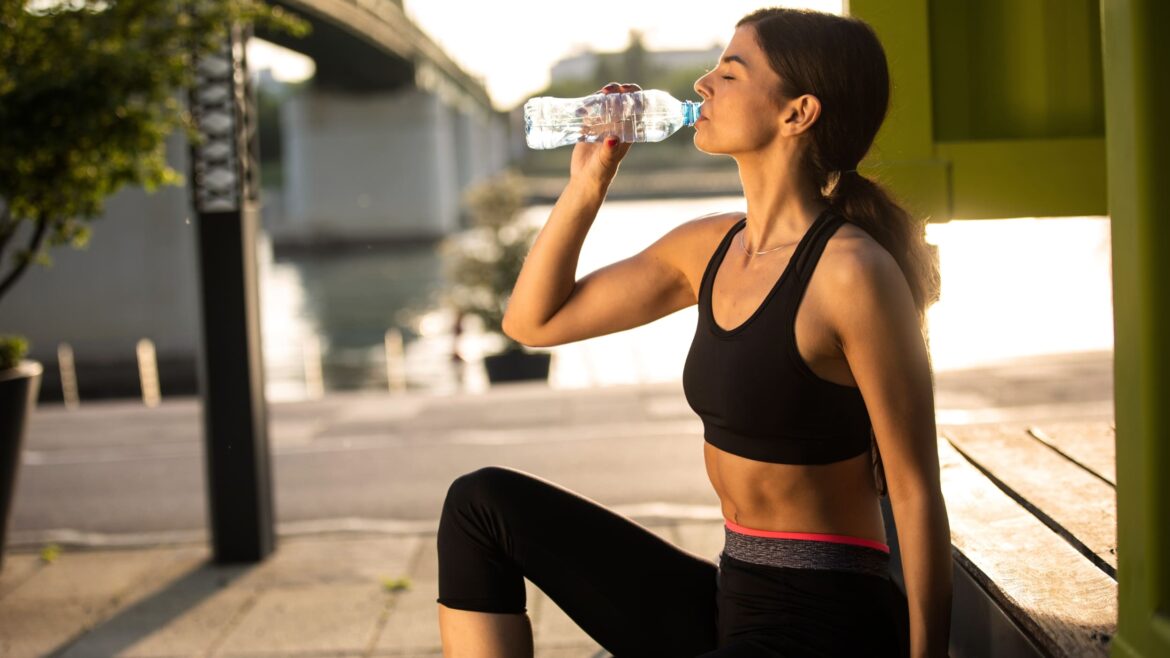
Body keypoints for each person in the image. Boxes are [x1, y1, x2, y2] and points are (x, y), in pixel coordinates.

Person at [436, 7, 952, 657]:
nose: (704, 85)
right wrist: (588, 184)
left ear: (798, 112)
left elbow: (914, 488)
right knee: (480, 505)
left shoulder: (851, 273)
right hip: (734, 597)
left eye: (730, 73)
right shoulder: (709, 247)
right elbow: (532, 322)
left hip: (826, 623)